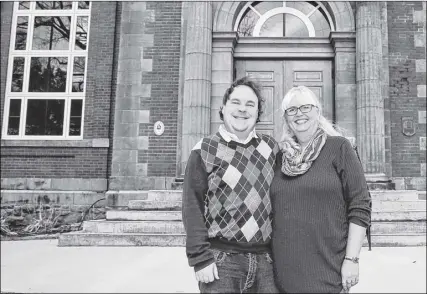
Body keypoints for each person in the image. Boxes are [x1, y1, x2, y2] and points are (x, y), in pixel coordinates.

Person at [270, 86, 372, 293]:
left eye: (306, 107)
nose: (299, 113)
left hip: (329, 267)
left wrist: (352, 259)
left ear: (317, 112)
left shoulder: (339, 148)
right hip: (283, 270)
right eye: (292, 110)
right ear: (286, 118)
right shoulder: (280, 158)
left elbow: (360, 205)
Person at [182, 77, 280, 293]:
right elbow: (192, 206)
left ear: (258, 112)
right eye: (236, 102)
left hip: (266, 262)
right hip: (221, 263)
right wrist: (200, 258)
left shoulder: (271, 148)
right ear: (223, 107)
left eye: (250, 104)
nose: (242, 109)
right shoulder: (204, 149)